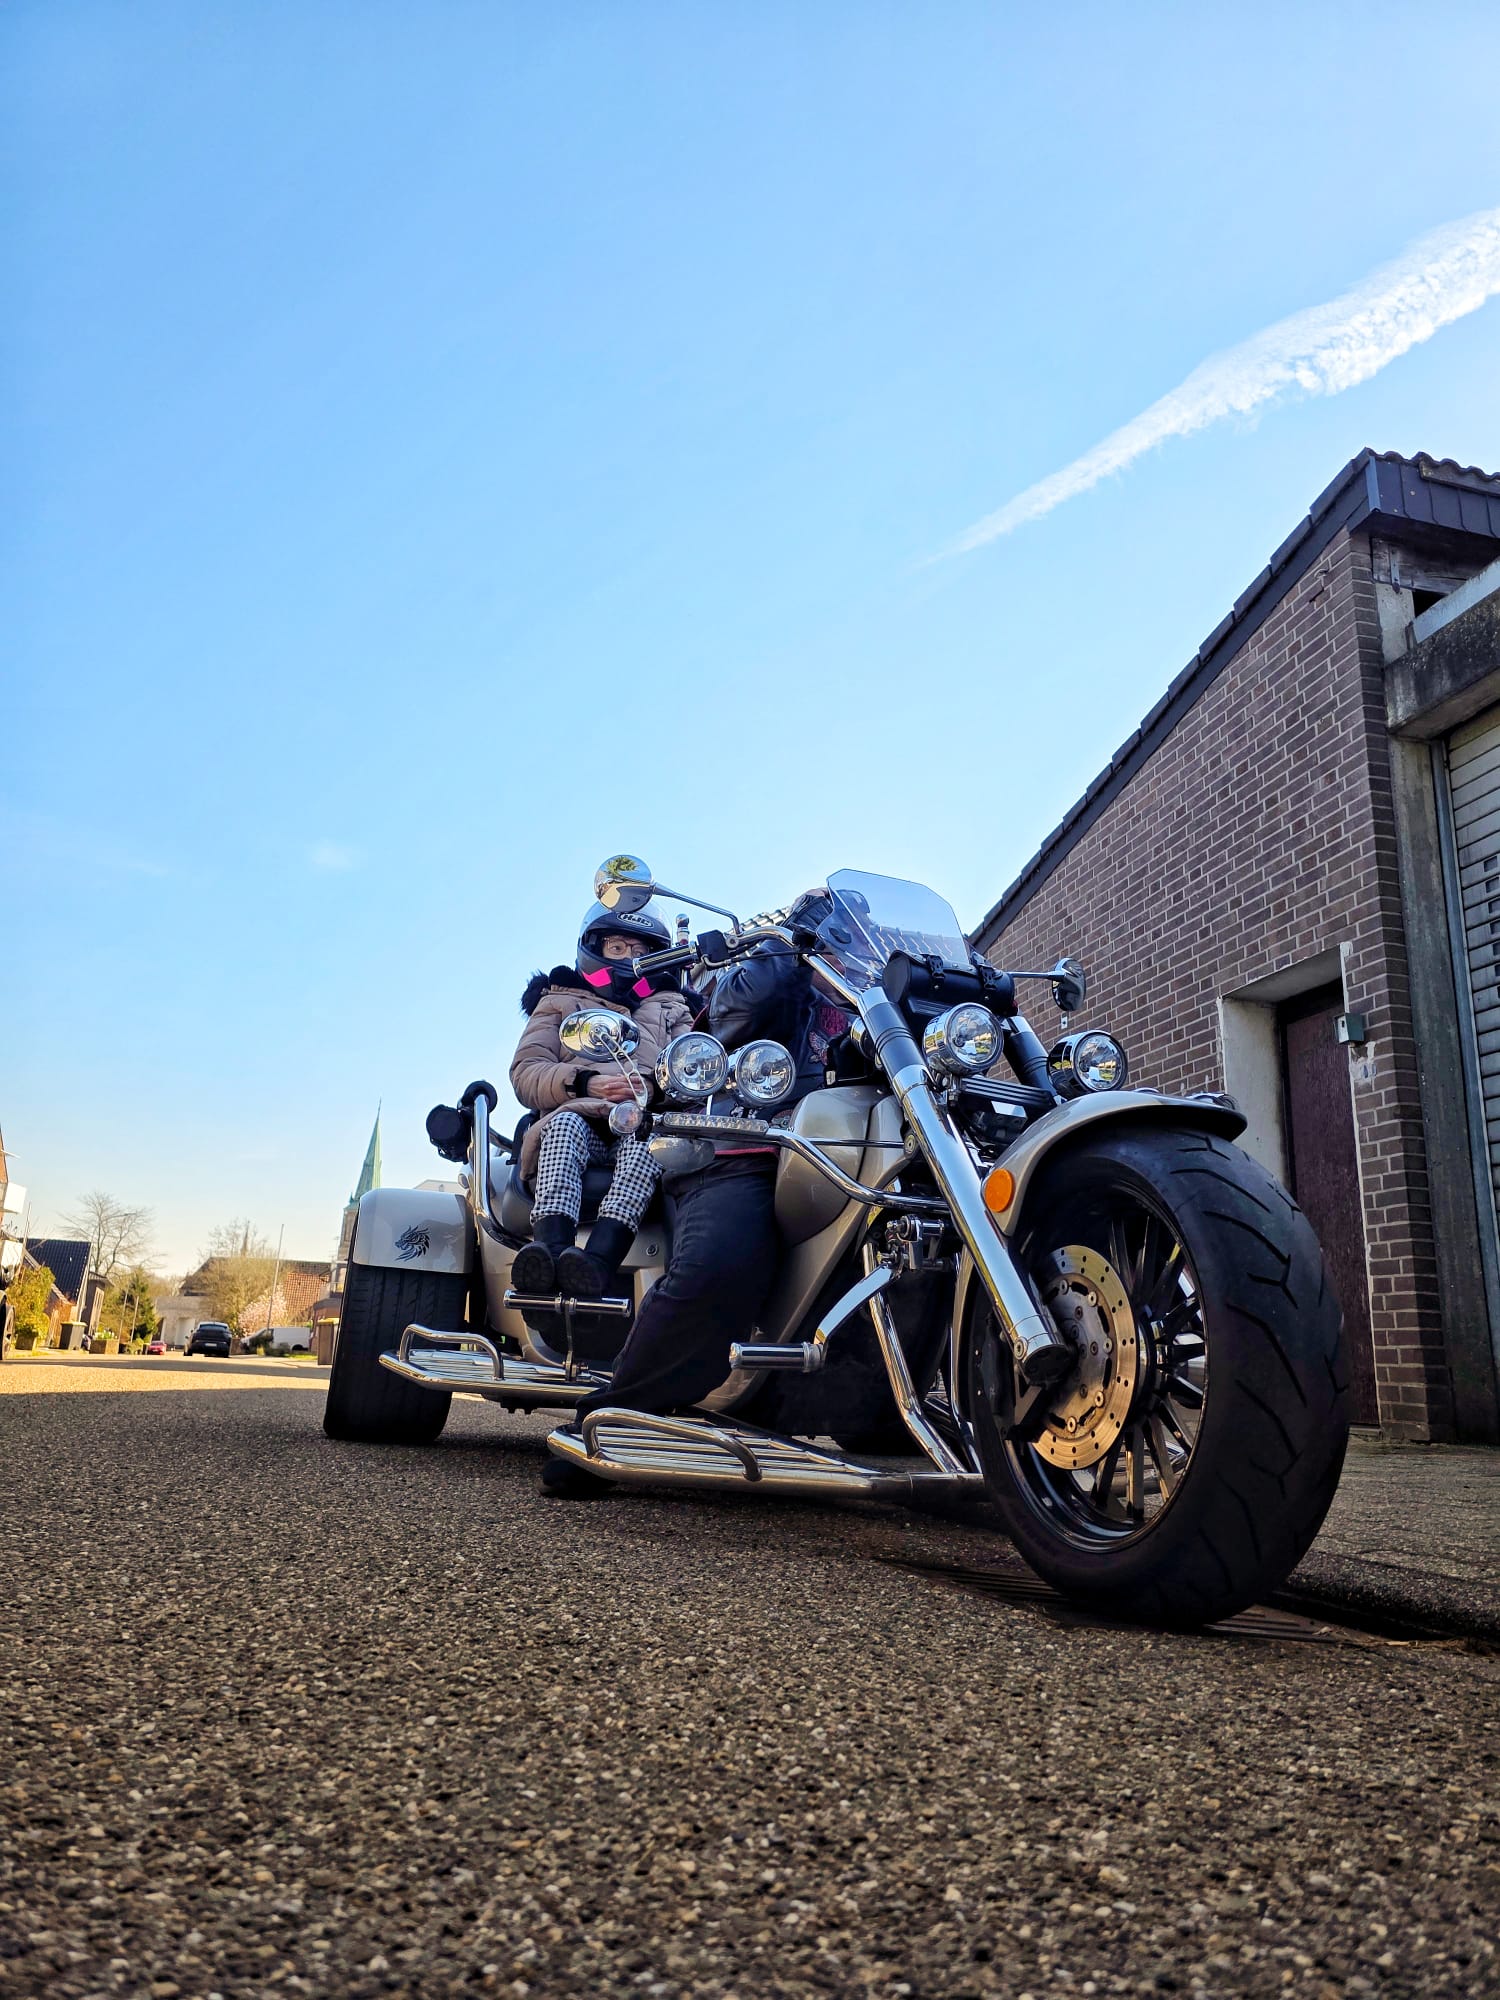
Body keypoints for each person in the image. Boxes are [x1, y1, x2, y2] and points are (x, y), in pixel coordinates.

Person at [543, 890, 854, 1498]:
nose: (842, 956)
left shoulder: (876, 993)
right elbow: (741, 1005)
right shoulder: (759, 982)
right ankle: (612, 1417)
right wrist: (790, 938)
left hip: (849, 1146)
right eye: (834, 940)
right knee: (719, 1265)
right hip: (737, 1141)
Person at [509, 903, 697, 1299]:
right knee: (563, 1127)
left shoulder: (673, 1007)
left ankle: (596, 1262)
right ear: (595, 948)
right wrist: (584, 1083)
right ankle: (549, 1253)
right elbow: (526, 1072)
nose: (629, 958)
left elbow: (693, 1069)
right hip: (577, 1115)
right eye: (617, 947)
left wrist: (652, 1089)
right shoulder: (557, 1000)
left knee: (650, 1145)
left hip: (644, 1121)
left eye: (640, 950)